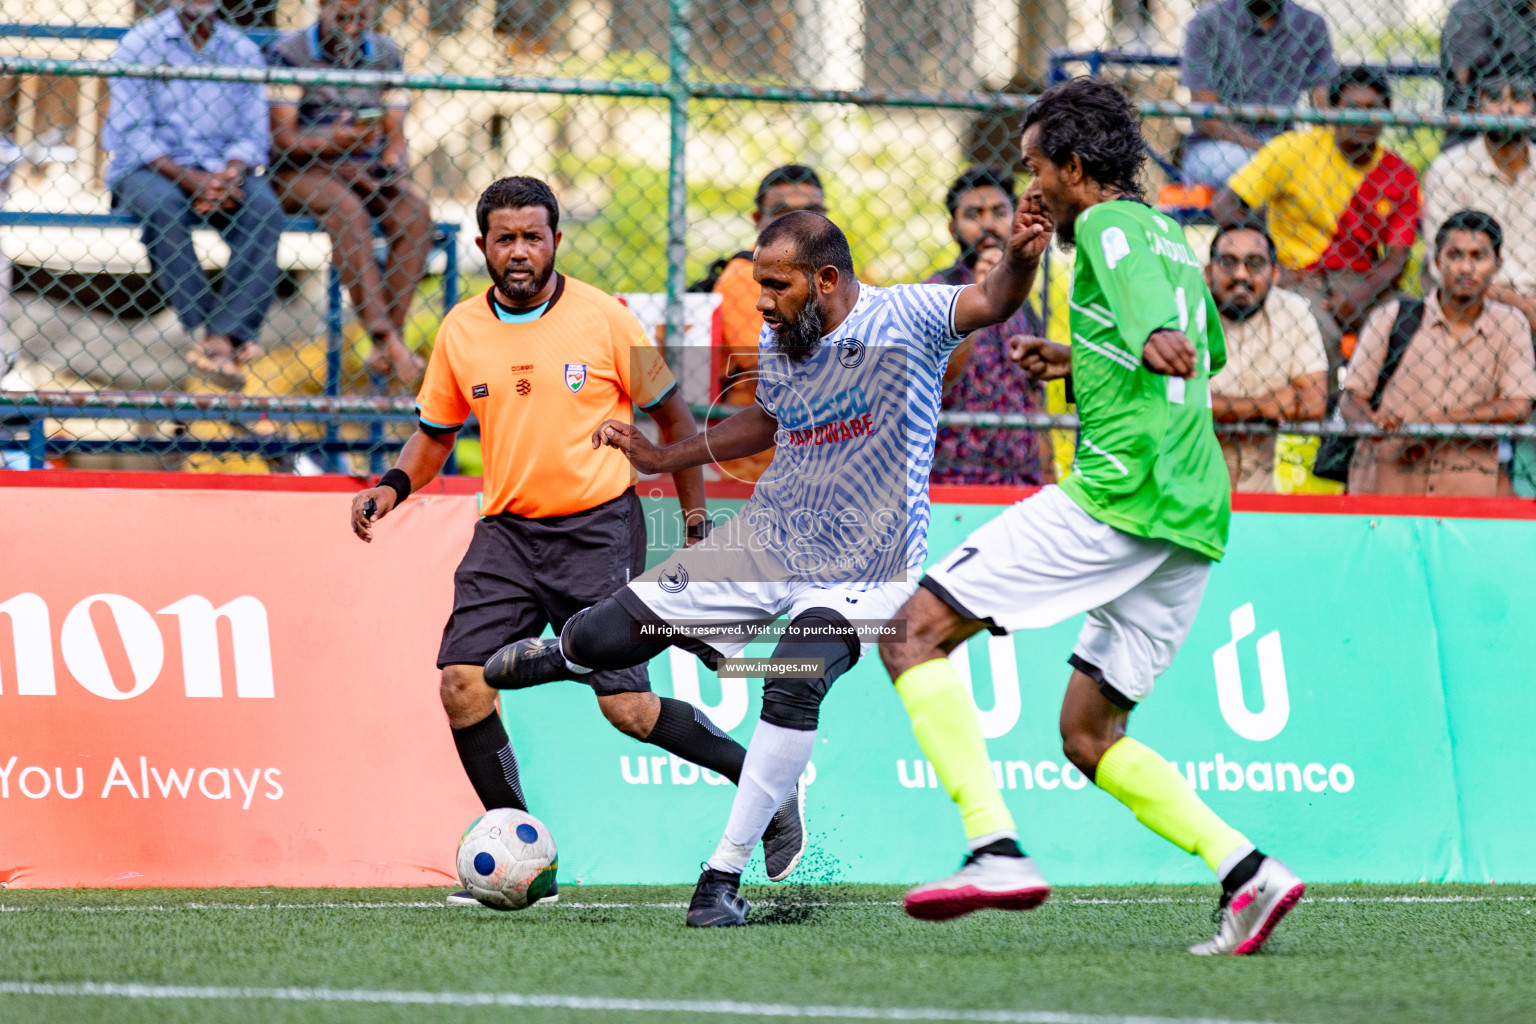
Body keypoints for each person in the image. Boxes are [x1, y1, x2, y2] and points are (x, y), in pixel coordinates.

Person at [481, 203, 1049, 927]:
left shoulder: (907, 317)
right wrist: (664, 457)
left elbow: (996, 298)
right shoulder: (786, 334)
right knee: (600, 640)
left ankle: (720, 876)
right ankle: (568, 653)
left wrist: (1024, 256)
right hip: (767, 541)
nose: (762, 302)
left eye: (776, 285)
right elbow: (769, 418)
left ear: (827, 279)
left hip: (866, 566)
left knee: (789, 682)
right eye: (760, 285)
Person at [879, 77, 1305, 955]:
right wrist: (1084, 357)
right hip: (1192, 513)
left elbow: (1165, 337)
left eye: (1037, 170)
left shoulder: (1108, 227)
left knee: (911, 632)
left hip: (1121, 493)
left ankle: (992, 846)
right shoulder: (1174, 240)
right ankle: (1247, 871)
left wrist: (1147, 334)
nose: (1030, 188)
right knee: (1087, 732)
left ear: (1077, 167)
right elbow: (1206, 351)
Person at [349, 177, 791, 907]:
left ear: (556, 240)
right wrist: (391, 487)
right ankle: (522, 860)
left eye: (532, 236)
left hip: (597, 529)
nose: (519, 251)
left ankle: (768, 790)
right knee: (462, 685)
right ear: (483, 246)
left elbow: (676, 426)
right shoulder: (461, 330)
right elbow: (434, 438)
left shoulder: (606, 319)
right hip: (507, 535)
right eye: (504, 238)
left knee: (628, 711)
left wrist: (691, 523)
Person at [104, 0, 282, 390]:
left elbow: (253, 135)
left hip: (222, 170)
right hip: (152, 168)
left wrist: (228, 176)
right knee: (163, 206)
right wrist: (191, 179)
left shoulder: (241, 51)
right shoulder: (140, 44)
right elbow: (133, 134)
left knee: (265, 208)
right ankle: (208, 332)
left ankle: (224, 336)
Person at [1213, 67, 1420, 382]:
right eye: (1353, 108)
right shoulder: (1294, 149)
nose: (1363, 119)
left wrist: (1357, 299)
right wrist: (1268, 264)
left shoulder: (1399, 173)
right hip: (1298, 278)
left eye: (1373, 109)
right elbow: (1226, 204)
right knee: (1318, 335)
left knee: (1414, 323)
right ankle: (1326, 427)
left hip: (1363, 281)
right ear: (1332, 111)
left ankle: (1379, 420)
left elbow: (1397, 259)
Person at [268, 0, 430, 385]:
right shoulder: (289, 53)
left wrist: (390, 166)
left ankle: (386, 339)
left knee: (415, 214)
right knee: (346, 208)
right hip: (302, 171)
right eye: (343, 17)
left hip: (363, 169)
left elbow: (395, 133)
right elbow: (281, 139)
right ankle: (386, 336)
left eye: (362, 18)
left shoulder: (386, 53)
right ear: (321, 6)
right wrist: (334, 144)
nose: (353, 27)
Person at [1342, 210, 1536, 496]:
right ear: (1436, 262)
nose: (1465, 268)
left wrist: (1429, 426)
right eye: (1454, 255)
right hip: (1387, 489)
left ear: (1497, 265)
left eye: (1478, 256)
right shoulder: (1393, 317)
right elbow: (1351, 398)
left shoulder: (1510, 325)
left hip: (1465, 495)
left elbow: (1517, 406)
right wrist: (1373, 426)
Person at [927, 166, 1053, 486]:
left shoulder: (1024, 300)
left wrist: (1049, 475)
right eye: (973, 214)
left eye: (998, 212)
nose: (987, 224)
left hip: (1021, 479)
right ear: (953, 229)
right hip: (953, 475)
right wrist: (980, 298)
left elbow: (1033, 395)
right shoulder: (937, 291)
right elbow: (934, 379)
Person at [703, 164, 826, 482]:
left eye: (811, 212)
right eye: (784, 213)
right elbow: (781, 362)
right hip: (755, 467)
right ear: (759, 221)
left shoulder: (835, 275)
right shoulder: (743, 276)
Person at [1205, 222, 1329, 491]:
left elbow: (1313, 403)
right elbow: (1176, 402)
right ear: (1207, 272)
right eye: (1228, 262)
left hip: (1264, 485)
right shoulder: (1188, 308)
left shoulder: (1292, 310)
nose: (1240, 274)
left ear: (1274, 274)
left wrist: (1216, 407)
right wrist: (1266, 405)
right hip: (1194, 477)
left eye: (1254, 263)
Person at [1179, 0, 1336, 187]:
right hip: (1220, 145)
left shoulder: (1310, 23)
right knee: (1234, 167)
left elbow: (1323, 104)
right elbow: (1207, 117)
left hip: (1284, 141)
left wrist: (1315, 152)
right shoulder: (1207, 22)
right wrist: (1267, 152)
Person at [1422, 76, 1536, 330]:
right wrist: (1522, 306)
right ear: (1475, 110)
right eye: (1495, 99)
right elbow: (1444, 265)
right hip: (1471, 300)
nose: (1506, 109)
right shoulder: (1449, 170)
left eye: (1518, 99)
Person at [1441, 0, 1536, 121]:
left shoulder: (1527, 11)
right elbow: (1465, 79)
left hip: (1527, 125)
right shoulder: (1472, 8)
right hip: (1473, 127)